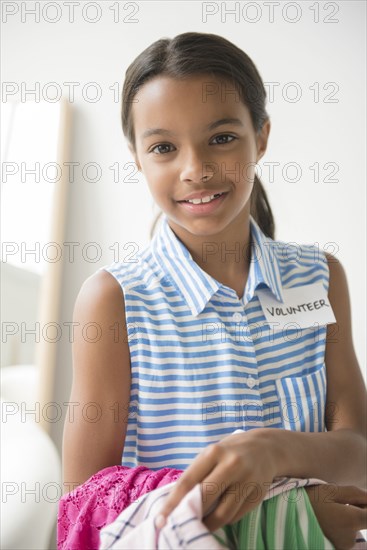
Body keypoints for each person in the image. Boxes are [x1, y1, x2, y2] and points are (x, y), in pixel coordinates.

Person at [62, 32, 367, 549]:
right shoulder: (113, 300)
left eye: (222, 138)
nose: (196, 170)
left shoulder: (321, 278)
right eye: (163, 147)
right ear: (137, 157)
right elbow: (83, 504)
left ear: (262, 137)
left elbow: (359, 449)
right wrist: (286, 517)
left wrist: (273, 450)